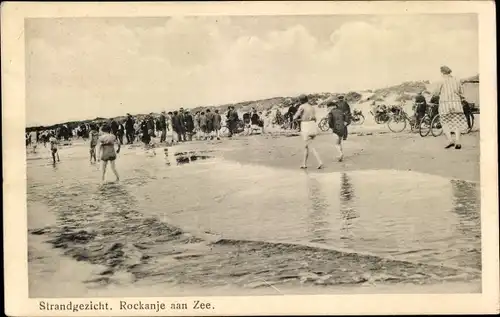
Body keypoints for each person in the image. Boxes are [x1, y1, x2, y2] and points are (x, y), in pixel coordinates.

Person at [433, 65, 467, 149]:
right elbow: (461, 93)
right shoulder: (456, 80)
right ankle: (458, 141)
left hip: (445, 105)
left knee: (445, 122)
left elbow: (436, 93)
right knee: (457, 123)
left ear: (442, 72)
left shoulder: (440, 81)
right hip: (456, 104)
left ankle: (450, 140)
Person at [293, 94, 323, 169]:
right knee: (306, 146)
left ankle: (319, 161)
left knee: (309, 145)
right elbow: (314, 118)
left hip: (306, 126)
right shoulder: (312, 107)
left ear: (301, 101)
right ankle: (304, 164)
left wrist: (298, 119)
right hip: (313, 126)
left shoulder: (302, 106)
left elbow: (295, 117)